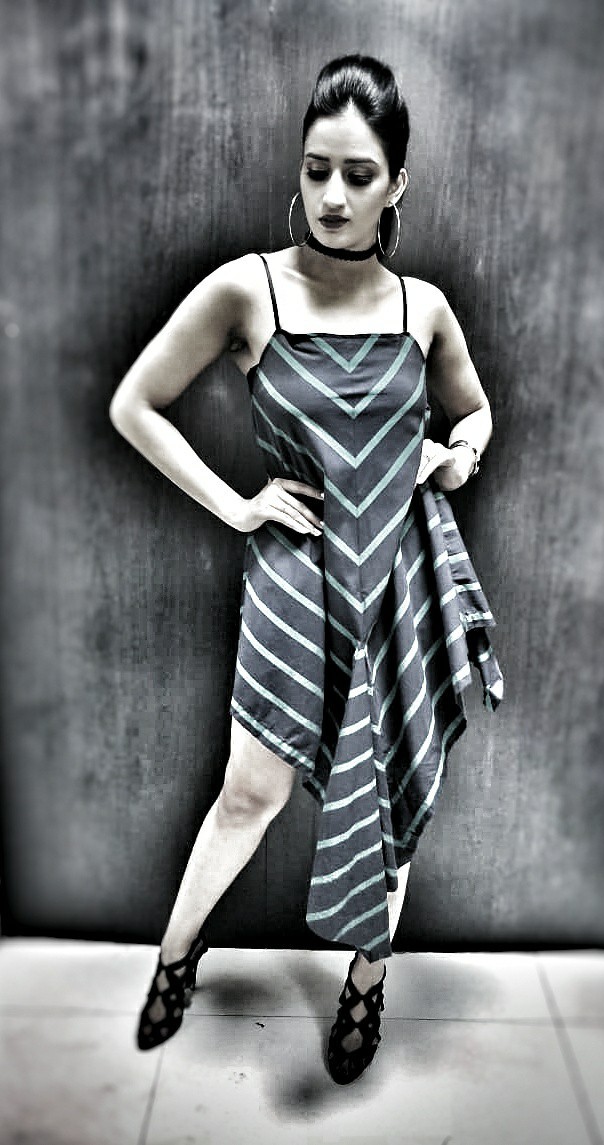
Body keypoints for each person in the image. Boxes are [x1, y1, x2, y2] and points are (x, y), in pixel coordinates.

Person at [109, 54, 503, 1085]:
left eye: (358, 175)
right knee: (250, 791)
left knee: (391, 791)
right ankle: (175, 958)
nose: (332, 195)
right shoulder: (248, 287)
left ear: (396, 182)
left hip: (398, 577)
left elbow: (473, 413)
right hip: (293, 583)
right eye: (317, 168)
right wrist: (236, 504)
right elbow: (135, 404)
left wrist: (457, 456)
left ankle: (366, 985)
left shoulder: (423, 307)